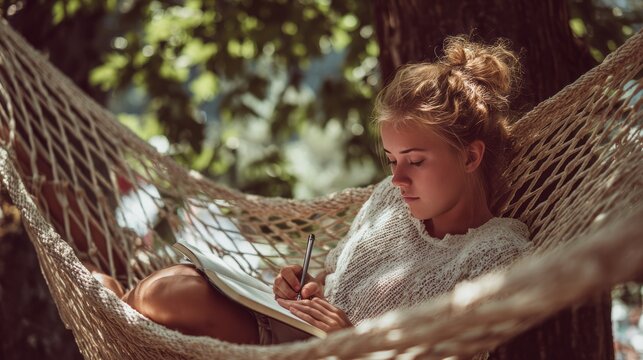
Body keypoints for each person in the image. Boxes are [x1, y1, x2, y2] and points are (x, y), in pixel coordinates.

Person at [88, 35, 534, 346]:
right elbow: (334, 280)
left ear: (471, 157)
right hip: (292, 335)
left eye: (415, 161)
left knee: (173, 293)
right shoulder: (390, 202)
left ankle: (110, 312)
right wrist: (305, 287)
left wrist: (352, 342)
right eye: (393, 160)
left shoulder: (497, 252)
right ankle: (115, 313)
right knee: (178, 285)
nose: (398, 179)